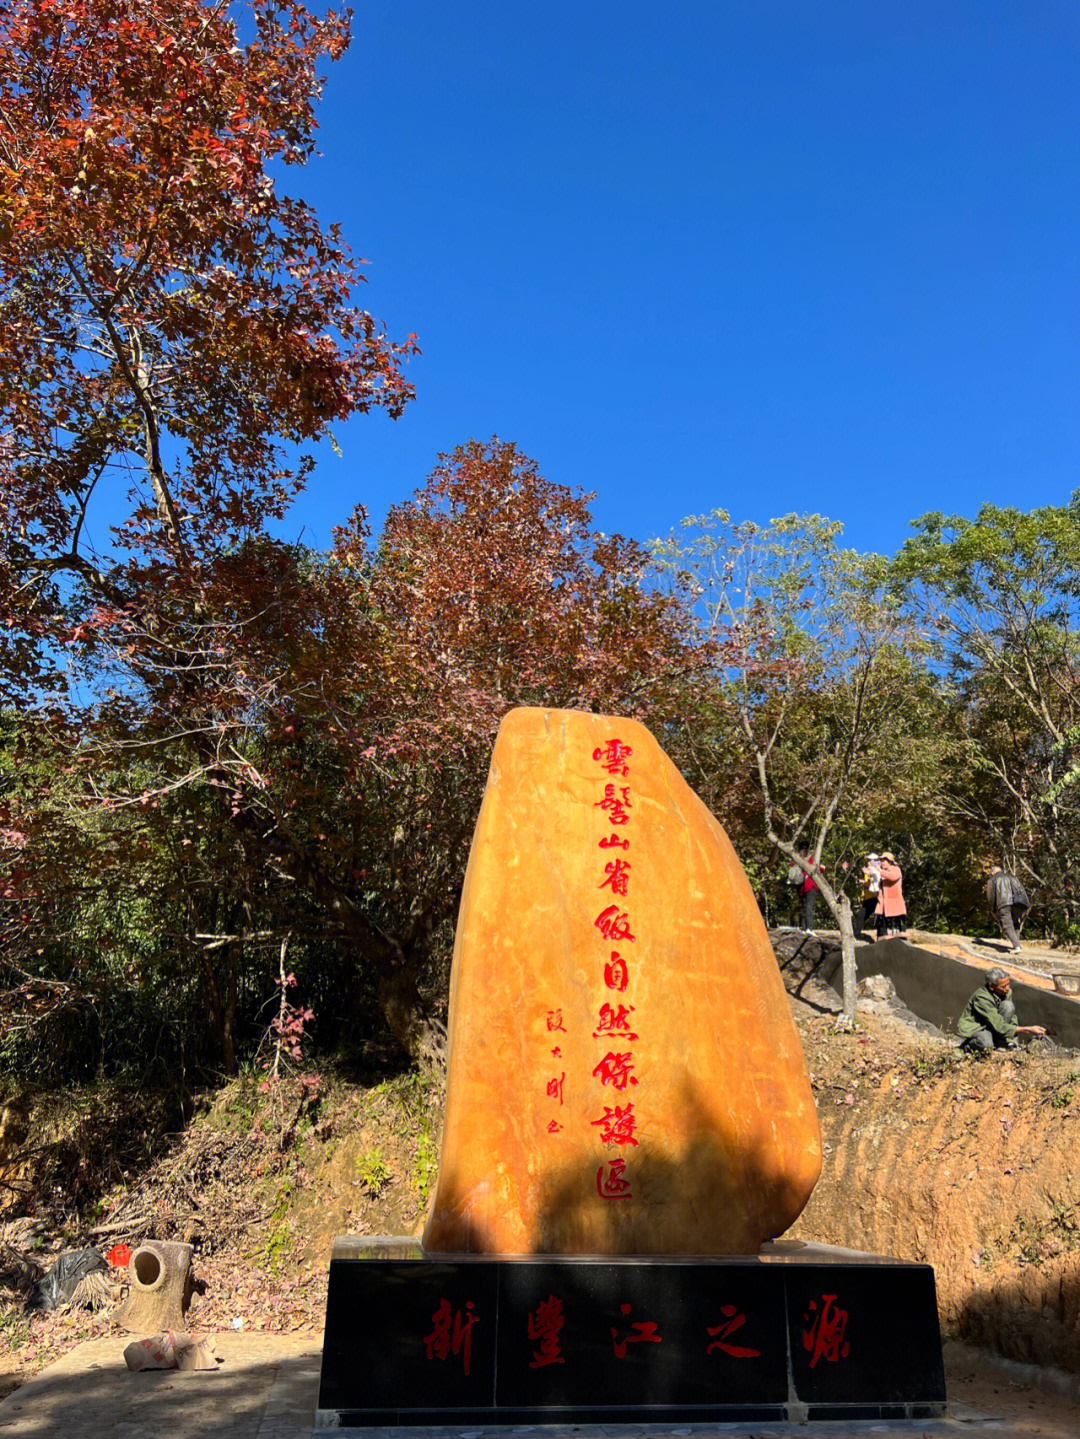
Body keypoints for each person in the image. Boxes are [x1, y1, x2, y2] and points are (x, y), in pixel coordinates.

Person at [957, 968, 1046, 1051]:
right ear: (992, 986)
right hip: (978, 1026)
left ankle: (999, 1041)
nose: (1007, 988)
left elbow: (1011, 1016)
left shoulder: (1007, 993)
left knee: (1008, 1005)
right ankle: (966, 1046)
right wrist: (1029, 1029)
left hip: (992, 1025)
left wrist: (1012, 1039)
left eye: (1008, 984)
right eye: (1003, 986)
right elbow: (999, 1025)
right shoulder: (982, 998)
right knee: (986, 1044)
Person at [985, 865, 1029, 954]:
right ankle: (1016, 945)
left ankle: (1017, 947)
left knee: (1007, 924)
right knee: (1015, 922)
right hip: (1019, 903)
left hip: (1004, 903)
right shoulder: (1012, 876)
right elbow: (1021, 889)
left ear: (993, 872)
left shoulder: (992, 880)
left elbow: (990, 897)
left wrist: (993, 910)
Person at [876, 851, 907, 937]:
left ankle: (901, 936)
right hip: (883, 900)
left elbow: (892, 877)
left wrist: (880, 871)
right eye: (881, 861)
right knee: (881, 921)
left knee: (898, 919)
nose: (882, 863)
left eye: (884, 861)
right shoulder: (882, 872)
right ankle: (882, 937)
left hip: (895, 900)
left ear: (890, 861)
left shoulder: (896, 869)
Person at [854, 854, 881, 938]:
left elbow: (875, 883)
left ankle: (881, 938)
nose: (868, 862)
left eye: (870, 860)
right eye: (868, 860)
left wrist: (868, 876)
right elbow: (869, 883)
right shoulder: (868, 870)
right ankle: (856, 935)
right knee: (861, 916)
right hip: (868, 897)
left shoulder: (876, 870)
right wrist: (863, 881)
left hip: (875, 897)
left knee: (879, 919)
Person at [798, 847, 825, 933]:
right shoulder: (812, 860)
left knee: (805, 907)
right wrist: (822, 867)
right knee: (809, 906)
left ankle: (804, 927)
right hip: (811, 885)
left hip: (802, 888)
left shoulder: (801, 861)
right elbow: (821, 869)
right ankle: (809, 928)